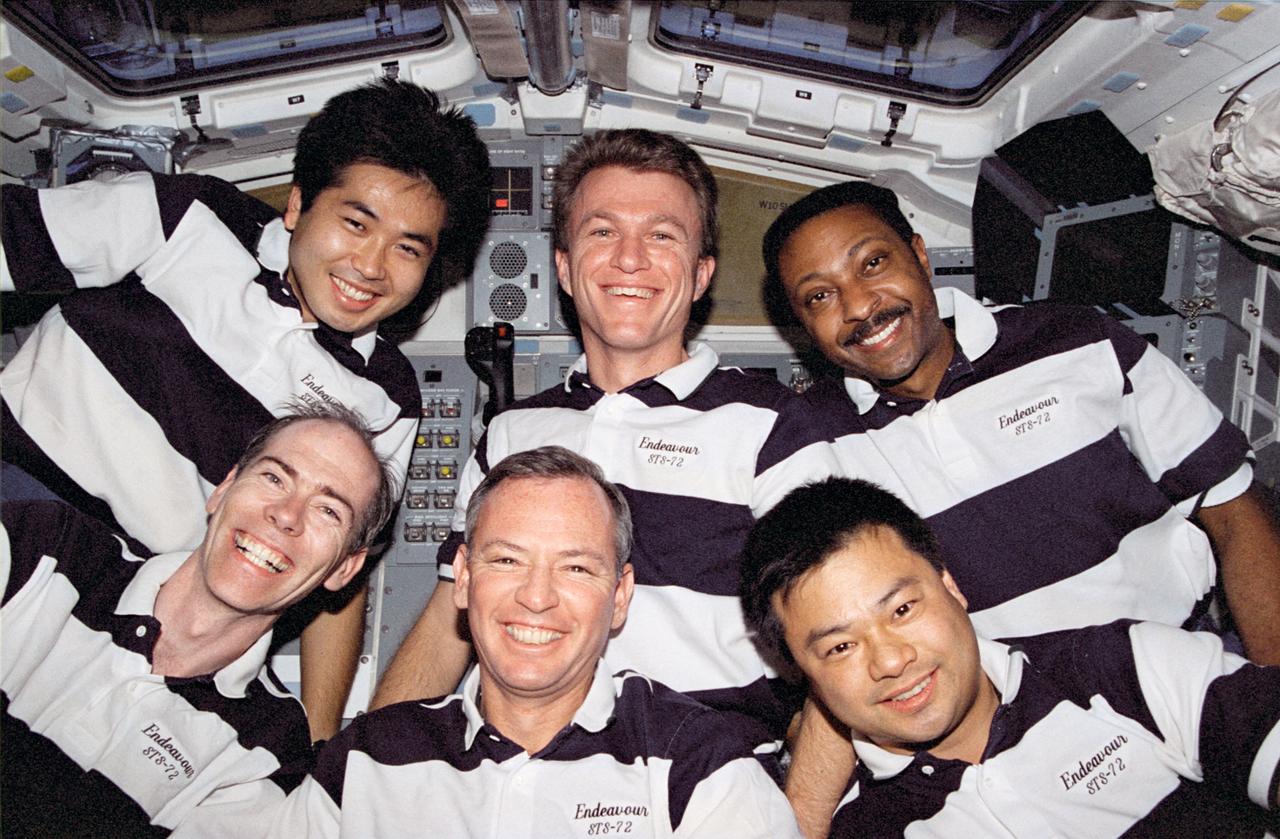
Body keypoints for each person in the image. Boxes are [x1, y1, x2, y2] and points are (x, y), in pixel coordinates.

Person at [0, 78, 491, 739]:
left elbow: (334, 571)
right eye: (354, 222)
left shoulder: (389, 401)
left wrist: (319, 740)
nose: (370, 266)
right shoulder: (186, 218)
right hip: (17, 508)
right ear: (296, 205)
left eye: (408, 248)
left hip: (142, 613)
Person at [373, 129, 831, 752]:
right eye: (602, 231)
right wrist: (361, 773)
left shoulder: (773, 428)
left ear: (701, 275)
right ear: (563, 268)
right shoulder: (510, 434)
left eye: (662, 235)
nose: (630, 259)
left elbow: (844, 647)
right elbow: (447, 626)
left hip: (702, 784)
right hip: (512, 781)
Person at [209, 447, 802, 838]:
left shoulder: (701, 768)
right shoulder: (364, 763)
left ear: (619, 596)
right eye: (508, 560)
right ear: (462, 579)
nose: (536, 597)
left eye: (575, 568)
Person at [740, 477, 1280, 838]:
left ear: (951, 587)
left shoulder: (1121, 668)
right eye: (840, 646)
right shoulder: (864, 825)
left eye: (902, 609)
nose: (890, 660)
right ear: (803, 675)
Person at [1, 404, 399, 838]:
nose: (286, 515)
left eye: (328, 511)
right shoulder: (41, 547)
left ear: (345, 569)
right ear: (223, 489)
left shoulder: (268, 757)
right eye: (274, 478)